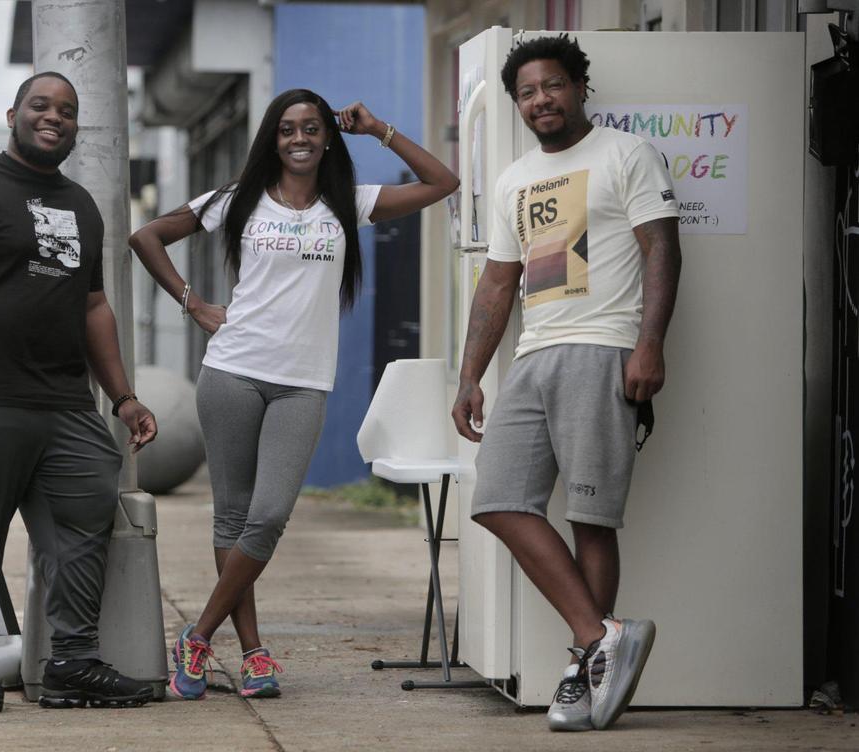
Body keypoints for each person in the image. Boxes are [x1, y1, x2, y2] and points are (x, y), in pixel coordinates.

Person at [130, 88, 458, 700]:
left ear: (327, 137)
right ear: (272, 141)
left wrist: (380, 128)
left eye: (311, 127)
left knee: (270, 514)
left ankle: (197, 636)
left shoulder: (349, 204)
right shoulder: (238, 200)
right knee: (232, 515)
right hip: (232, 371)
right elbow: (146, 236)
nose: (300, 138)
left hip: (303, 383)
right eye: (287, 130)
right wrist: (192, 303)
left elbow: (443, 182)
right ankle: (254, 655)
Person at [0, 71, 158, 713]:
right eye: (41, 106)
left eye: (67, 110)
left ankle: (71, 662)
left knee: (80, 536)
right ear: (13, 113)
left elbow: (93, 306)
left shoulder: (80, 204)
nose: (54, 117)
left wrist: (122, 397)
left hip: (65, 405)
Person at [451, 35, 682, 731]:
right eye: (526, 92)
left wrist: (649, 344)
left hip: (604, 349)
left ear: (580, 87)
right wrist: (469, 375)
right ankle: (598, 638)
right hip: (533, 356)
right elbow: (497, 283)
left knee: (590, 515)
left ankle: (585, 670)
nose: (539, 100)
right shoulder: (517, 178)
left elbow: (663, 247)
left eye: (551, 85)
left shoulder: (625, 154)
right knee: (497, 499)